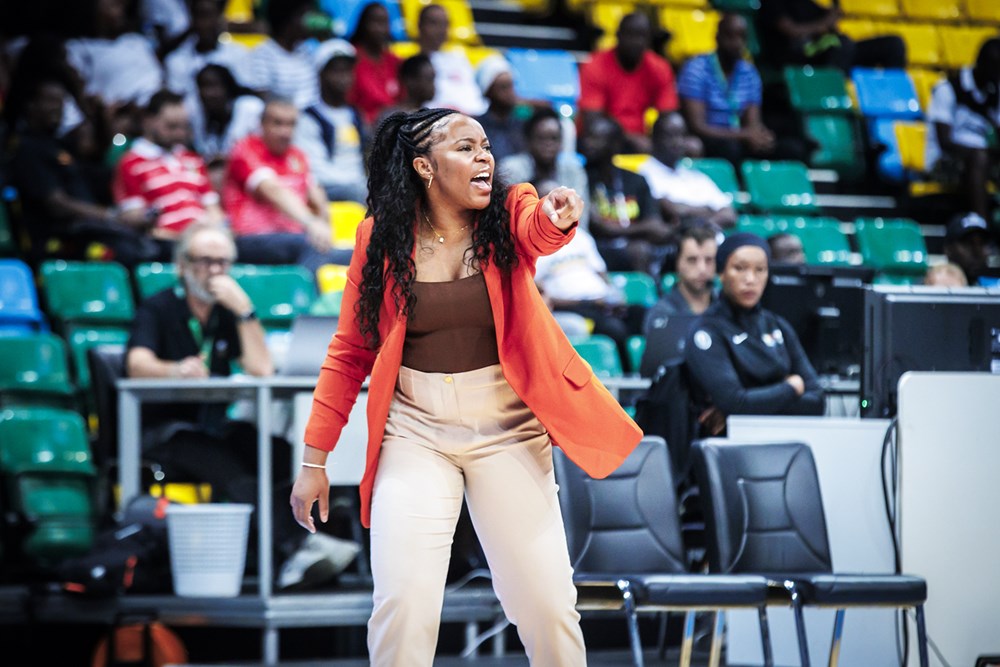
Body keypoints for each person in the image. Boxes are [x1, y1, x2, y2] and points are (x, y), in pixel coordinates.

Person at [289, 108, 642, 666]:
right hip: (416, 431)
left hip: (508, 428)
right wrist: (314, 460)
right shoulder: (379, 237)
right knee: (403, 603)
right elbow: (350, 351)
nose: (484, 157)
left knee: (548, 606)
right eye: (465, 147)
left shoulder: (509, 209)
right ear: (424, 167)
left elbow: (539, 230)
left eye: (485, 146)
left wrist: (557, 217)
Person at [126, 222, 360, 589]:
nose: (214, 271)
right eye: (204, 261)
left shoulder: (226, 312)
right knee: (228, 465)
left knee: (276, 451)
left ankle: (298, 548)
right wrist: (173, 369)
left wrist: (245, 310)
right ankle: (297, 547)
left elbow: (261, 368)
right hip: (164, 431)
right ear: (182, 265)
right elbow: (135, 365)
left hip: (211, 425)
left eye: (222, 262)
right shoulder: (159, 307)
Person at [684, 232, 825, 436]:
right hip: (727, 446)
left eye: (760, 270)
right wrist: (791, 387)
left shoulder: (778, 325)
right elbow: (735, 402)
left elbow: (817, 401)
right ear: (721, 273)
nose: (750, 279)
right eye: (739, 268)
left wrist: (751, 405)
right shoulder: (706, 331)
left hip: (784, 439)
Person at [9, 77, 159, 266]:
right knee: (126, 253)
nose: (58, 107)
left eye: (61, 101)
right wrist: (113, 216)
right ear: (31, 105)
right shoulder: (26, 148)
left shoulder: (60, 145)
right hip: (56, 241)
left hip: (87, 231)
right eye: (51, 101)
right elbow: (57, 204)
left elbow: (98, 150)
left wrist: (98, 112)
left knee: (150, 246)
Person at [222, 97, 352, 271]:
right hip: (252, 239)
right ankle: (303, 289)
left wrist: (324, 227)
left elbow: (316, 195)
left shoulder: (297, 155)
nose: (285, 132)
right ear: (262, 124)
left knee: (360, 254)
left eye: (291, 124)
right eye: (278, 123)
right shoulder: (245, 149)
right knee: (308, 246)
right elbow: (272, 190)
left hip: (295, 240)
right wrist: (312, 223)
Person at [678, 13, 806, 166]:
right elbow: (697, 126)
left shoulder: (749, 72)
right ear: (717, 37)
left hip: (739, 138)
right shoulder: (696, 69)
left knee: (791, 149)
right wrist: (744, 135)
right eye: (730, 36)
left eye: (742, 37)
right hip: (709, 138)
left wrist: (760, 138)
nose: (737, 43)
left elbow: (752, 124)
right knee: (730, 149)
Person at [113, 90, 224, 250]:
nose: (179, 134)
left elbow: (212, 208)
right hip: (164, 243)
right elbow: (132, 216)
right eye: (171, 126)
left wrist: (216, 231)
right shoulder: (131, 163)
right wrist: (151, 217)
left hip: (204, 240)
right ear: (148, 121)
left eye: (184, 127)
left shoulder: (193, 159)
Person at [579, 112, 675, 274]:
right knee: (640, 250)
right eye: (587, 137)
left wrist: (615, 229)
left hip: (635, 246)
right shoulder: (582, 178)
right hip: (598, 248)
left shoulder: (635, 180)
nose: (589, 143)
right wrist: (641, 229)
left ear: (615, 144)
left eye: (597, 138)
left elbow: (655, 226)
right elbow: (597, 226)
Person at [578, 11, 678, 153]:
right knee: (600, 135)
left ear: (649, 40)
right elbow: (592, 122)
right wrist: (631, 139)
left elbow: (668, 116)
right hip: (603, 140)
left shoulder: (660, 68)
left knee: (685, 141)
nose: (635, 42)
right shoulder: (595, 65)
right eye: (629, 34)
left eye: (641, 36)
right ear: (618, 35)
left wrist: (656, 140)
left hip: (644, 140)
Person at [925, 38, 1000, 220]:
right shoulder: (948, 88)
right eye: (995, 69)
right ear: (981, 63)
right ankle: (980, 227)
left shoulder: (994, 92)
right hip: (943, 163)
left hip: (982, 158)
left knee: (982, 158)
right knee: (979, 158)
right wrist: (981, 153)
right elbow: (944, 142)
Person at [295, 38, 368, 205]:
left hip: (358, 185)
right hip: (327, 188)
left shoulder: (355, 114)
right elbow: (316, 170)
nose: (344, 77)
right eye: (336, 71)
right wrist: (359, 185)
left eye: (348, 71)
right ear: (321, 74)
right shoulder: (309, 117)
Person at [639, 112, 737, 231]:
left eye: (682, 135)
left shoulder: (695, 176)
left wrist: (704, 224)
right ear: (654, 138)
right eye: (670, 135)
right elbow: (673, 210)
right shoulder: (643, 174)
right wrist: (710, 209)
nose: (678, 142)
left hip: (710, 235)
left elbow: (730, 214)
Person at [499, 106, 590, 228]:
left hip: (569, 233)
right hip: (520, 231)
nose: (548, 144)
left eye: (554, 138)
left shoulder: (573, 170)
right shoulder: (510, 169)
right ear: (528, 140)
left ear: (561, 142)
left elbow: (582, 217)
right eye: (541, 138)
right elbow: (504, 215)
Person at [757, 0, 906, 73]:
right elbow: (790, 30)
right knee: (841, 44)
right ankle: (832, 96)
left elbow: (828, 21)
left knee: (893, 45)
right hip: (797, 55)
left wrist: (832, 17)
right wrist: (823, 24)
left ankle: (894, 103)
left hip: (829, 54)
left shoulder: (806, 3)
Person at [164, 0, 252, 105]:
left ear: (220, 17)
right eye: (199, 16)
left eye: (209, 15)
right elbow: (176, 102)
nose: (204, 24)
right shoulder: (176, 60)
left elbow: (248, 94)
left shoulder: (239, 53)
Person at [644, 224, 718, 336]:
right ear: (677, 262)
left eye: (709, 260)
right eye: (692, 260)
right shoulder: (662, 315)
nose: (702, 269)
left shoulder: (730, 308)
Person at [243, 0, 318, 108]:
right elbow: (263, 97)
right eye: (304, 16)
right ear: (288, 19)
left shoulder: (306, 50)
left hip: (310, 115)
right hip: (280, 115)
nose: (309, 23)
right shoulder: (263, 53)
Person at [416, 3, 487, 116]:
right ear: (420, 25)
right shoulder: (413, 64)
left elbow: (474, 98)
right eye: (434, 23)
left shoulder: (458, 59)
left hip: (470, 118)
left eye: (445, 24)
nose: (441, 30)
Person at [348, 2, 402, 126]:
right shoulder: (351, 58)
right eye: (375, 22)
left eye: (385, 22)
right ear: (363, 25)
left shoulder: (396, 62)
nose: (380, 28)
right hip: (362, 126)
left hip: (393, 126)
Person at [474, 55, 526, 164]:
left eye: (511, 86)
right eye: (503, 87)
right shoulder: (477, 128)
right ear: (488, 92)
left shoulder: (523, 125)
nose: (510, 93)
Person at [943, 211, 994, 286]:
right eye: (968, 243)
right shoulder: (933, 287)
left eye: (983, 243)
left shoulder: (997, 287)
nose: (977, 251)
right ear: (948, 249)